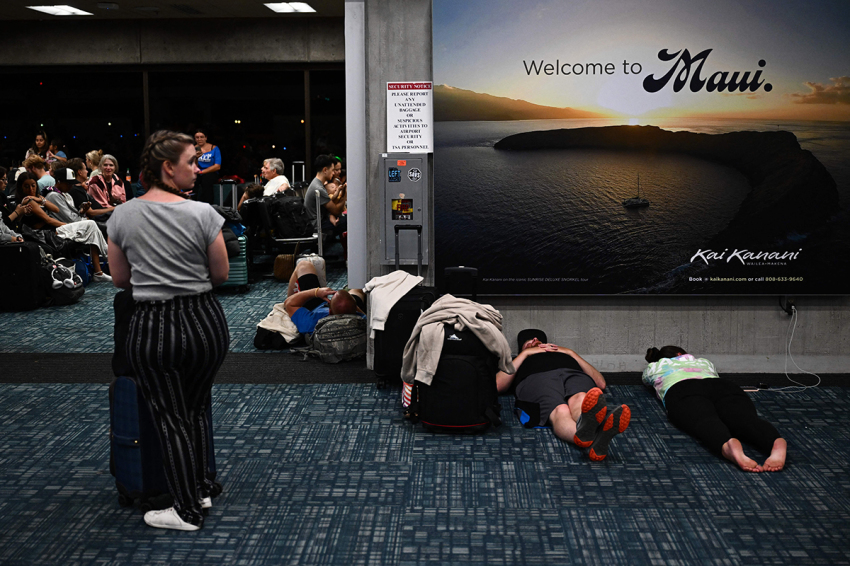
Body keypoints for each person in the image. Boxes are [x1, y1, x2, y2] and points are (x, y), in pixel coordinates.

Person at [107, 130, 230, 531]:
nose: (198, 168)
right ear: (167, 167)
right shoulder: (204, 214)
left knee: (171, 417)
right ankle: (200, 487)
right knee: (194, 409)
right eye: (192, 161)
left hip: (155, 326)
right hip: (206, 323)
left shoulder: (123, 215)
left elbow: (120, 280)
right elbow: (221, 275)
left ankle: (186, 510)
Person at [643, 346, 786, 472]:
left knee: (705, 421)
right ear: (681, 353)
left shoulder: (655, 366)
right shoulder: (704, 362)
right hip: (721, 385)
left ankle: (726, 445)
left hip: (682, 388)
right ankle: (774, 441)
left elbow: (646, 379)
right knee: (746, 420)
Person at [496, 329, 631, 461]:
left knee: (581, 398)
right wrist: (525, 354)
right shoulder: (519, 358)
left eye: (538, 339)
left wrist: (570, 352)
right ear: (521, 347)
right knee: (561, 410)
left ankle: (586, 427)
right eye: (529, 341)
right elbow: (497, 385)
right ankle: (594, 436)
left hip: (573, 374)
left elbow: (600, 383)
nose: (535, 340)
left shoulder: (565, 353)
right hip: (537, 379)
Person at [13, 171, 112, 281]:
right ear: (21, 188)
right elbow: (48, 220)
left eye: (33, 185)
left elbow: (56, 209)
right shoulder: (28, 201)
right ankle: (107, 259)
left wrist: (40, 199)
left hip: (51, 230)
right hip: (44, 235)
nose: (31, 189)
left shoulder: (37, 198)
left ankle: (100, 270)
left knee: (91, 226)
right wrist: (70, 225)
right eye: (26, 186)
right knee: (91, 225)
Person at [283, 261, 365, 334]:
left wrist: (315, 292)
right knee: (357, 290)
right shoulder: (363, 322)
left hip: (315, 308)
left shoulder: (312, 322)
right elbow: (364, 316)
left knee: (303, 265)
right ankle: (349, 292)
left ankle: (347, 292)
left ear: (329, 310)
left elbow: (289, 303)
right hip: (352, 316)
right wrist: (350, 304)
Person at [304, 154, 346, 238]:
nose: (334, 173)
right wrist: (345, 195)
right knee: (350, 219)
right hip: (318, 226)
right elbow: (336, 210)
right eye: (332, 170)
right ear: (325, 170)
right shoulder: (318, 188)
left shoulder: (317, 183)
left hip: (320, 221)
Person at [192, 129, 221, 204]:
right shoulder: (192, 149)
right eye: (197, 137)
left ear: (206, 138)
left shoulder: (214, 148)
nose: (199, 139)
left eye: (201, 137)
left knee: (207, 180)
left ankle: (208, 205)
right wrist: (196, 158)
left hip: (210, 172)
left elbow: (217, 166)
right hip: (197, 172)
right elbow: (192, 166)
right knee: (193, 180)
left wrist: (202, 172)